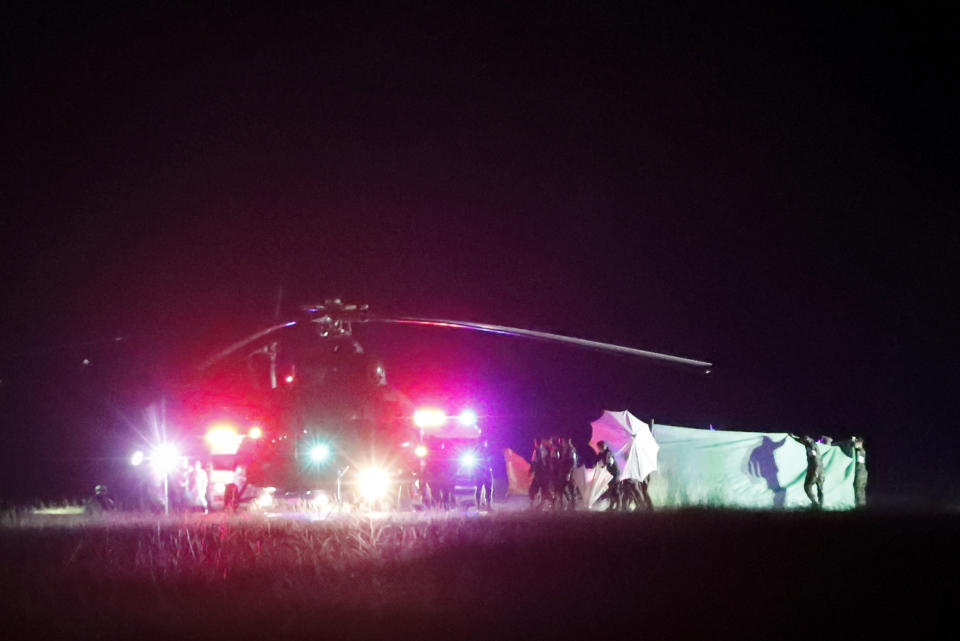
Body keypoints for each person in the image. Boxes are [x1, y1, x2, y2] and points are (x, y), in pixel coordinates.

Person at [791, 434, 824, 508]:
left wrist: (815, 470)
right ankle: (820, 505)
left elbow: (814, 458)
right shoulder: (811, 443)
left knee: (807, 486)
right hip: (821, 469)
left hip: (815, 468)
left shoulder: (810, 445)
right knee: (820, 488)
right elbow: (801, 441)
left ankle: (815, 503)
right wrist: (793, 437)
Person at [596, 441, 621, 510]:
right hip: (611, 474)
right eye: (599, 447)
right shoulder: (602, 453)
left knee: (615, 490)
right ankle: (612, 505)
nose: (599, 448)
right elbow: (597, 459)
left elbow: (609, 463)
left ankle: (618, 506)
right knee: (613, 490)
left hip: (615, 474)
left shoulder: (608, 453)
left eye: (600, 447)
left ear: (604, 446)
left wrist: (604, 466)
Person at [556, 437, 580, 510]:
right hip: (563, 471)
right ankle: (568, 501)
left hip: (569, 472)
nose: (562, 443)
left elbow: (572, 463)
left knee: (571, 488)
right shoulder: (563, 450)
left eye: (563, 442)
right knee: (561, 487)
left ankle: (573, 504)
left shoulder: (571, 450)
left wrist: (569, 473)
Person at [528, 438, 551, 509]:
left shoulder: (538, 451)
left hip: (541, 473)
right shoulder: (546, 450)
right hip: (544, 473)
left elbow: (535, 462)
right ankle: (542, 504)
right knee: (542, 489)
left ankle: (549, 502)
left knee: (536, 489)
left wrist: (531, 470)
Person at [473, 440, 495, 512]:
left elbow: (491, 460)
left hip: (484, 472)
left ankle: (484, 506)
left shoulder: (484, 451)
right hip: (482, 473)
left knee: (486, 489)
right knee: (483, 489)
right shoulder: (480, 451)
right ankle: (481, 506)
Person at [852, 436, 868, 507]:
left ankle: (860, 506)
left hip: (860, 473)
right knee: (861, 490)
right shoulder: (861, 451)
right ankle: (861, 505)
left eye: (857, 442)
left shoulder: (860, 451)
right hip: (862, 473)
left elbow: (859, 463)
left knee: (859, 490)